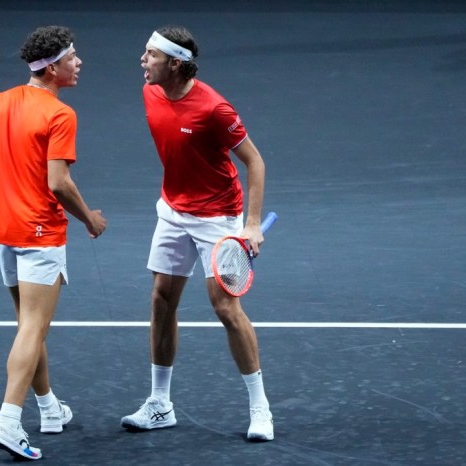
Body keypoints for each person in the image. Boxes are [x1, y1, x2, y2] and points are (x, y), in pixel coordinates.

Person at [0, 25, 106, 461]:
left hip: (1, 232)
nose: (79, 63)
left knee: (27, 329)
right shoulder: (60, 115)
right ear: (53, 68)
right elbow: (59, 182)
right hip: (39, 234)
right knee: (33, 329)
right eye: (73, 57)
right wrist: (90, 218)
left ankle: (50, 410)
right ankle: (8, 422)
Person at [120, 26, 274, 441]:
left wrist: (252, 223)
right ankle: (160, 404)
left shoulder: (214, 109)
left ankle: (260, 408)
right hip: (171, 211)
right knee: (161, 301)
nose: (142, 60)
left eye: (149, 55)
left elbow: (254, 163)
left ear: (174, 63)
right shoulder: (150, 92)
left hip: (217, 217)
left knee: (225, 308)